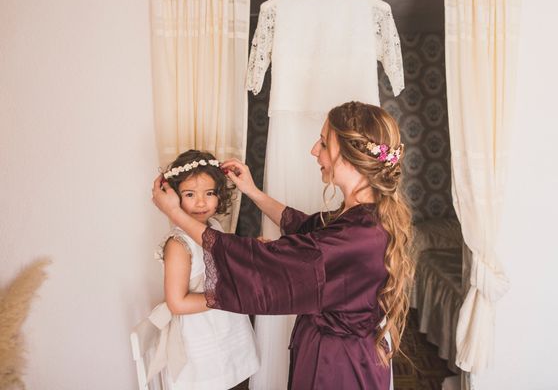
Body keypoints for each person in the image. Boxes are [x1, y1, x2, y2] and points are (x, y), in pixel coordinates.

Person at [151, 102, 414, 389]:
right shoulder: (362, 217)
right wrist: (252, 191)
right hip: (343, 356)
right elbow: (306, 228)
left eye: (324, 143)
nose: (315, 150)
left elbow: (263, 265)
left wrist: (176, 214)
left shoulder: (356, 236)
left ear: (350, 157)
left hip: (335, 367)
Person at [147, 149, 259, 389]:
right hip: (202, 341)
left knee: (238, 380)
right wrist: (227, 295)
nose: (201, 202)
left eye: (209, 193)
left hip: (229, 332)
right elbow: (177, 303)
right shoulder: (178, 245)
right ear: (174, 197)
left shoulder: (214, 226)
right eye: (189, 194)